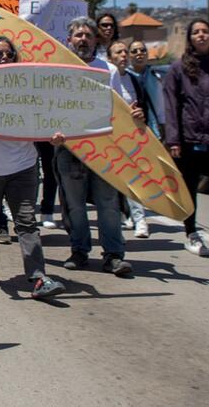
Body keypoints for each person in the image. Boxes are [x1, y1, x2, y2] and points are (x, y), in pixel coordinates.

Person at [0, 37, 67, 298]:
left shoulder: (29, 88)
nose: (4, 59)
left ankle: (39, 276)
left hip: (23, 166)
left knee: (27, 222)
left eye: (8, 54)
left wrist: (54, 138)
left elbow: (44, 121)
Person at [57, 17, 139, 276]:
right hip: (69, 149)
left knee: (108, 203)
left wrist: (134, 116)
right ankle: (79, 250)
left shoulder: (109, 70)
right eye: (78, 35)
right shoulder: (58, 69)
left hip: (104, 149)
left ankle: (113, 255)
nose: (83, 40)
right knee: (75, 205)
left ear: (96, 40)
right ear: (69, 40)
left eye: (88, 35)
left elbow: (121, 110)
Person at [163, 19, 209, 258]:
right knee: (189, 188)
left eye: (205, 31)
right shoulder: (177, 70)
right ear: (190, 38)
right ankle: (191, 234)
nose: (201, 35)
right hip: (188, 142)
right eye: (196, 32)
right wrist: (173, 141)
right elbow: (171, 108)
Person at [107, 40, 151, 239]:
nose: (124, 56)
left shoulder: (134, 80)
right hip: (110, 138)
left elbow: (144, 107)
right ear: (110, 58)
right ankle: (123, 217)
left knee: (135, 179)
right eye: (118, 52)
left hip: (132, 137)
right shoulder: (104, 77)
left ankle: (140, 220)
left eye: (126, 52)